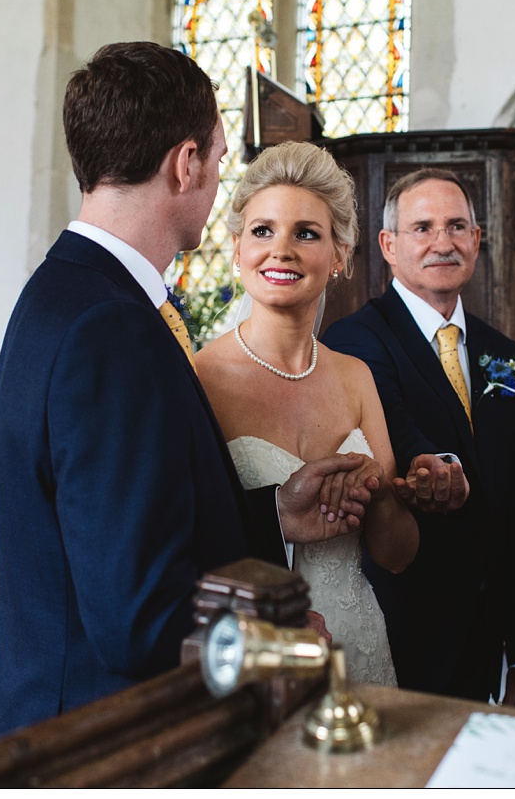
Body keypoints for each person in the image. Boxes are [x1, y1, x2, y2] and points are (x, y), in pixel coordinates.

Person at [0, 41, 380, 735]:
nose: (217, 178)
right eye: (220, 158)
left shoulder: (63, 292)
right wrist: (280, 641)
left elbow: (118, 526)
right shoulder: (112, 327)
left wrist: (275, 514)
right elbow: (138, 619)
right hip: (103, 741)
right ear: (186, 162)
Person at [196, 142, 421, 684]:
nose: (282, 251)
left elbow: (397, 556)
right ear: (235, 249)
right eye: (262, 230)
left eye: (307, 233)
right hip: (252, 650)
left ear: (340, 255)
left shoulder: (356, 376)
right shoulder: (199, 379)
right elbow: (189, 541)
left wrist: (381, 493)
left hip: (359, 647)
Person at [323, 170, 515, 704]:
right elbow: (399, 429)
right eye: (422, 227)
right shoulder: (354, 339)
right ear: (389, 245)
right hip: (401, 622)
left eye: (456, 226)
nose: (442, 242)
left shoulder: (506, 354)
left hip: (487, 639)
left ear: (476, 239)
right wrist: (439, 466)